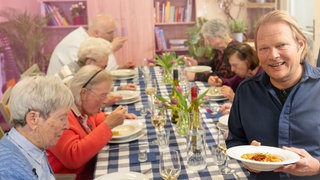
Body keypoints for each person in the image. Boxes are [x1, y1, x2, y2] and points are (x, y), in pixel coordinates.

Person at [226, 10, 320, 179]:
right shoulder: (246, 92)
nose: (273, 55)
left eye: (281, 45)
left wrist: (318, 167)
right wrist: (248, 159)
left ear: (300, 45)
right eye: (264, 48)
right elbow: (235, 140)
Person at [47, 65, 137, 180]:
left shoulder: (81, 108)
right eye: (103, 95)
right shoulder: (61, 116)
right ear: (83, 93)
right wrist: (108, 125)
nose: (105, 101)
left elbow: (94, 119)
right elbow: (73, 157)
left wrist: (112, 118)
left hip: (92, 169)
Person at [0, 76, 74, 179]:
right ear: (33, 119)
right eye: (62, 118)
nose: (67, 126)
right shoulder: (9, 171)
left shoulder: (33, 145)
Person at [55, 37, 136, 106]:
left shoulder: (83, 72)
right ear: (89, 63)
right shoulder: (70, 80)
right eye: (102, 67)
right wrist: (104, 103)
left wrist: (119, 88)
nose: (103, 71)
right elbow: (82, 109)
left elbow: (94, 91)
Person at [47, 14, 135, 75]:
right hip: (61, 95)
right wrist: (110, 49)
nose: (114, 36)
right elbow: (88, 76)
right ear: (96, 33)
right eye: (110, 33)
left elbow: (102, 70)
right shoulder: (77, 43)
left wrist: (120, 69)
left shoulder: (92, 42)